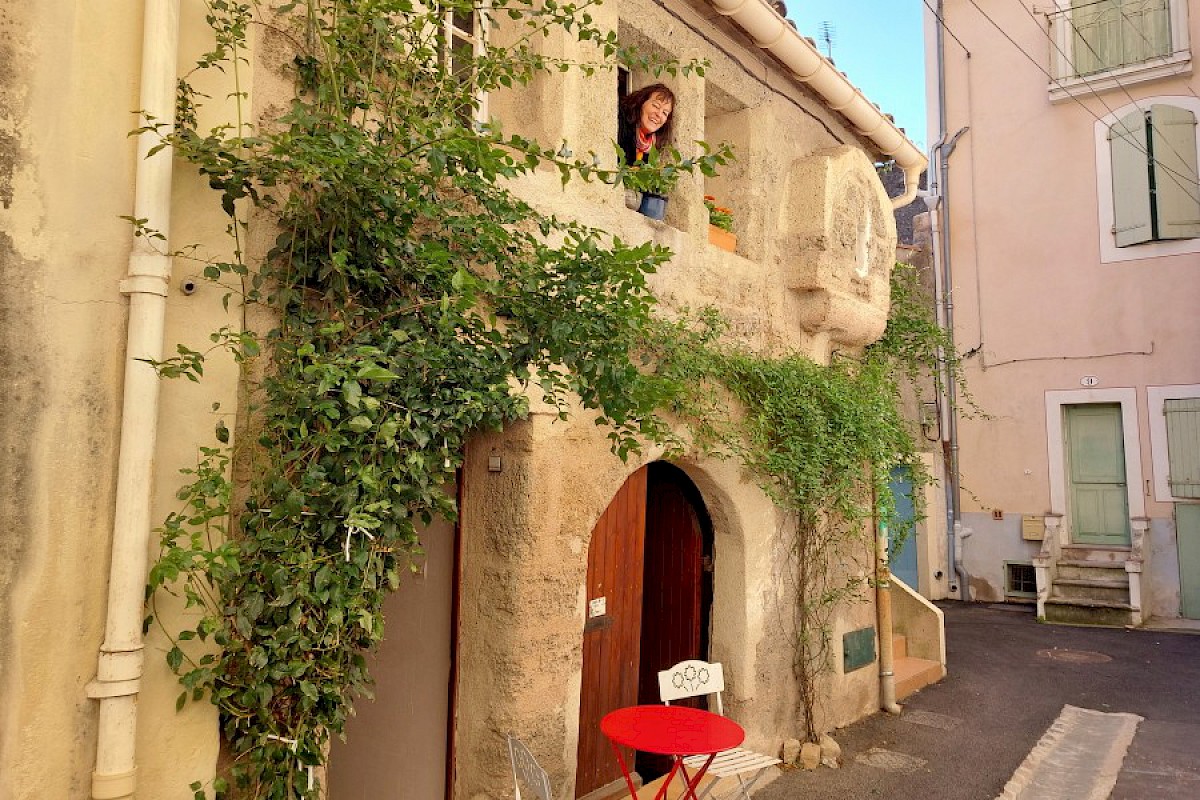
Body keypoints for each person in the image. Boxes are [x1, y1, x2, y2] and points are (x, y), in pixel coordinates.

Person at [617, 83, 676, 166]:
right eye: (656, 106)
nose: (659, 114)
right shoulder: (620, 125)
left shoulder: (652, 147)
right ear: (641, 102)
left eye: (665, 113)